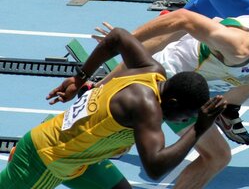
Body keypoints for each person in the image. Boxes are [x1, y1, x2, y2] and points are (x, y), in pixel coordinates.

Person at [93, 6, 249, 183]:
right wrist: (123, 40)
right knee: (215, 156)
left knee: (217, 156)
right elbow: (181, 18)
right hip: (164, 84)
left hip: (186, 91)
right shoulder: (240, 45)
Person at [0, 27, 225, 189]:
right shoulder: (146, 108)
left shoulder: (150, 70)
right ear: (172, 103)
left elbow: (117, 36)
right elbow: (155, 168)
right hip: (47, 160)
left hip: (81, 160)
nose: (181, 122)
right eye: (186, 116)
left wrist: (80, 78)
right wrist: (198, 129)